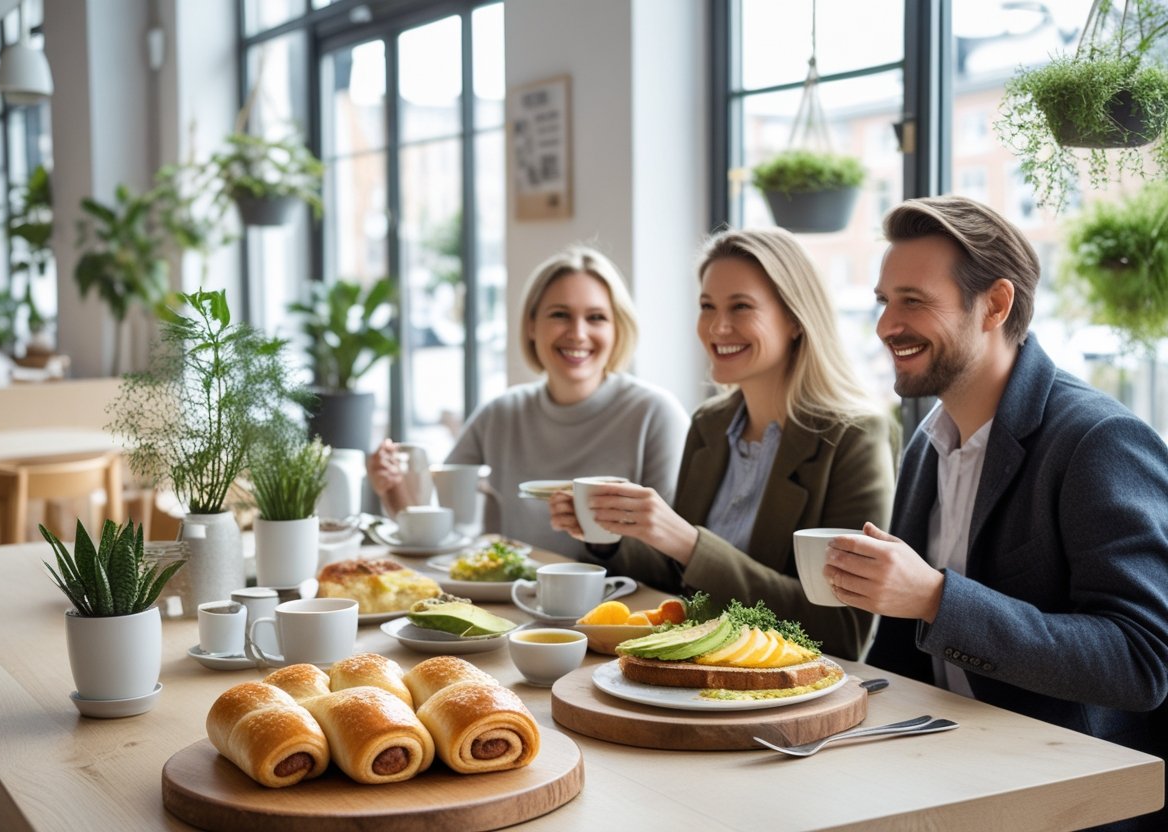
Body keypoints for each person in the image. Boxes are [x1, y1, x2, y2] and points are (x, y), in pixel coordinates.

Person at [825, 195, 1168, 829]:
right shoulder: (930, 441)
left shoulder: (1098, 440)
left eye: (913, 301)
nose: (885, 326)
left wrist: (935, 597)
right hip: (940, 763)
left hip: (1063, 794)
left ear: (997, 304)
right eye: (883, 301)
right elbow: (900, 654)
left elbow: (1142, 661)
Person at [549, 228, 898, 660]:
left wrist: (688, 543)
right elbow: (681, 581)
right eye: (707, 306)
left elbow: (842, 631)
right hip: (691, 669)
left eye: (741, 307)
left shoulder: (852, 436)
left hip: (785, 692)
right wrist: (611, 534)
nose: (717, 326)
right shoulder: (710, 425)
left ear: (794, 319)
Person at [367, 245, 690, 559]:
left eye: (596, 317)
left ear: (617, 330)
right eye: (560, 314)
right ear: (532, 325)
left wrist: (602, 536)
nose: (578, 333)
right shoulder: (499, 415)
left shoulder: (656, 415)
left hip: (621, 607)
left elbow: (670, 561)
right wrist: (392, 488)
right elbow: (437, 528)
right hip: (511, 604)